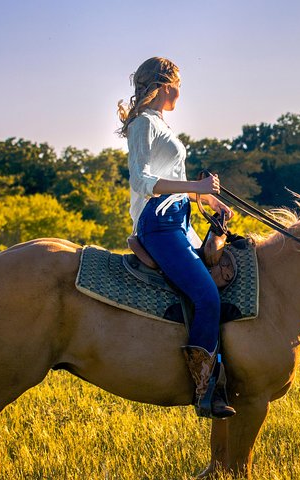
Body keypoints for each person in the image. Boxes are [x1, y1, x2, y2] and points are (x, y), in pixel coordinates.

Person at [117, 57, 236, 419]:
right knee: (206, 296)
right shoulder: (142, 125)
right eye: (178, 84)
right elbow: (142, 182)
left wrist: (206, 198)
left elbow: (174, 182)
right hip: (159, 223)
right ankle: (204, 389)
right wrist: (196, 187)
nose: (180, 92)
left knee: (220, 281)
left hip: (180, 221)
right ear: (165, 85)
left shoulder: (160, 124)